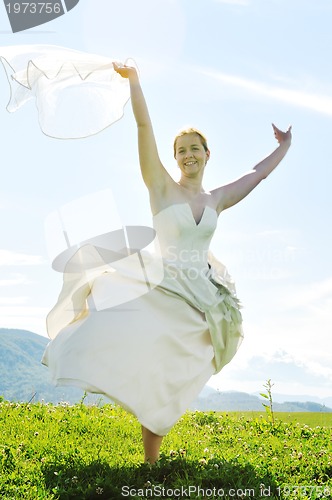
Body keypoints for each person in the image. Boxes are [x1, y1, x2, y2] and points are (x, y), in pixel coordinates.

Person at [42, 63, 292, 465]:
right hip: (162, 289)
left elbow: (257, 174)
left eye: (195, 148)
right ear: (175, 159)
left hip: (201, 303)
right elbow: (144, 129)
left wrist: (285, 146)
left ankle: (151, 458)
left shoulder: (216, 200)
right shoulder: (160, 187)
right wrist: (135, 82)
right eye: (181, 150)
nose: (188, 154)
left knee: (173, 377)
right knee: (142, 356)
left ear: (207, 155)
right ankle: (149, 462)